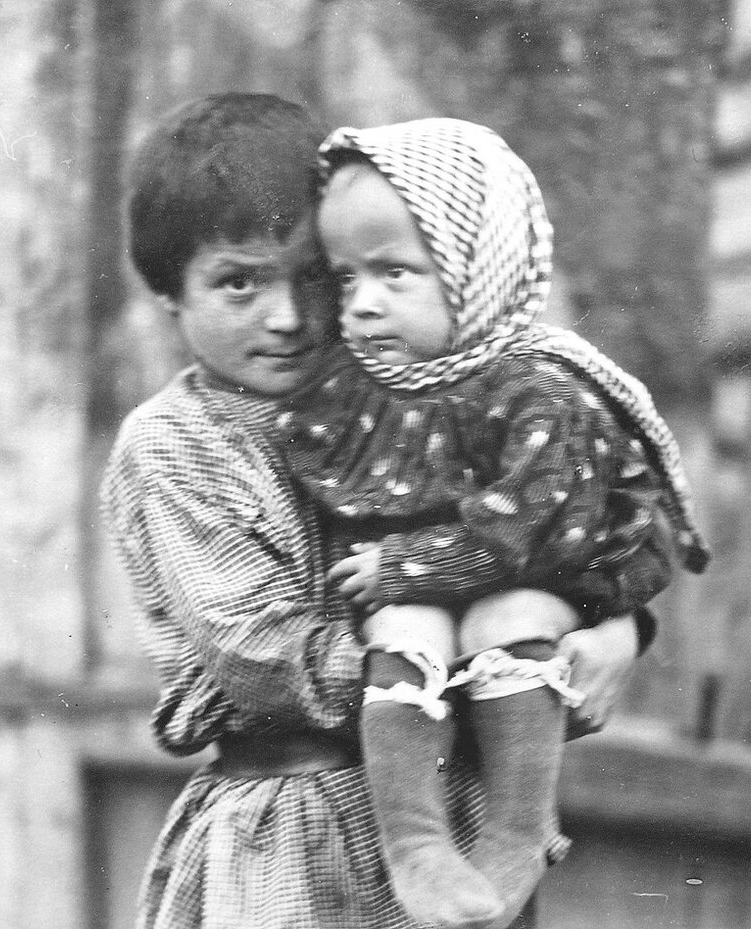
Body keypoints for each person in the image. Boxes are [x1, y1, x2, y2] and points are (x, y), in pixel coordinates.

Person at [102, 92, 666, 929]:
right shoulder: (178, 442)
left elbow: (537, 537)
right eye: (238, 282)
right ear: (169, 296)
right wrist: (489, 661)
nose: (289, 318)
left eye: (314, 277)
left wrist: (612, 627)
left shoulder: (413, 403)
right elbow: (260, 656)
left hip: (461, 818)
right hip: (291, 823)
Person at [274, 118, 710, 928]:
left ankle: (518, 827)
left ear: (478, 268)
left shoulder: (541, 389)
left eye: (395, 273)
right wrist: (403, 580)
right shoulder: (368, 388)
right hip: (442, 580)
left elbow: (525, 531)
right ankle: (414, 839)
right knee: (400, 626)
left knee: (506, 619)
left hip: (547, 567)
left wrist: (405, 566)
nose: (362, 303)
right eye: (345, 277)